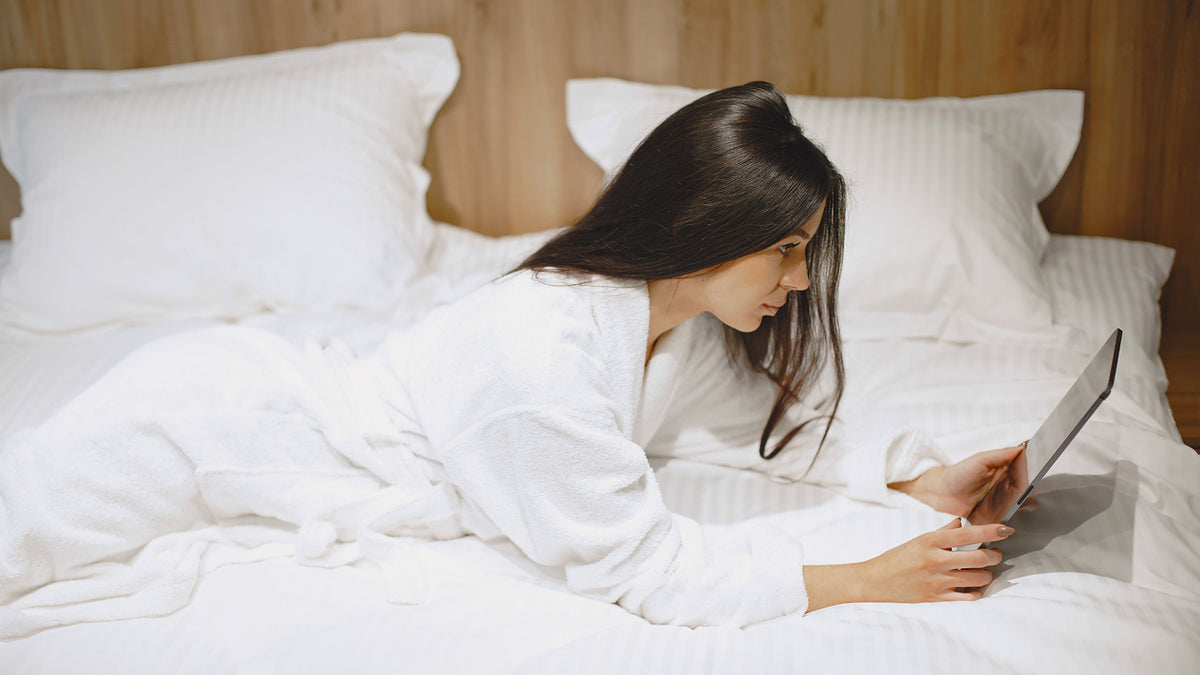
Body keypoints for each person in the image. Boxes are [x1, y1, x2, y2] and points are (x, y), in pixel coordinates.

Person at [0, 81, 1023, 634]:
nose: (798, 284)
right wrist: (863, 579)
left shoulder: (669, 323)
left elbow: (749, 432)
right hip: (202, 421)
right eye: (787, 251)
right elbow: (652, 572)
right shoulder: (542, 359)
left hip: (260, 408)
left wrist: (913, 477)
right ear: (708, 223)